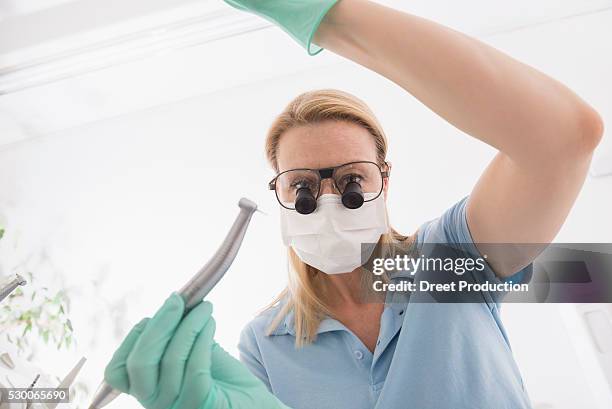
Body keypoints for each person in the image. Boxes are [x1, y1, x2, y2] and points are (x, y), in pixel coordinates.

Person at [103, 1, 604, 408]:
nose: (325, 203)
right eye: (301, 188)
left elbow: (563, 137)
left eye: (350, 183)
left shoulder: (448, 262)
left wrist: (328, 13)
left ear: (385, 181)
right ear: (277, 194)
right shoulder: (265, 344)